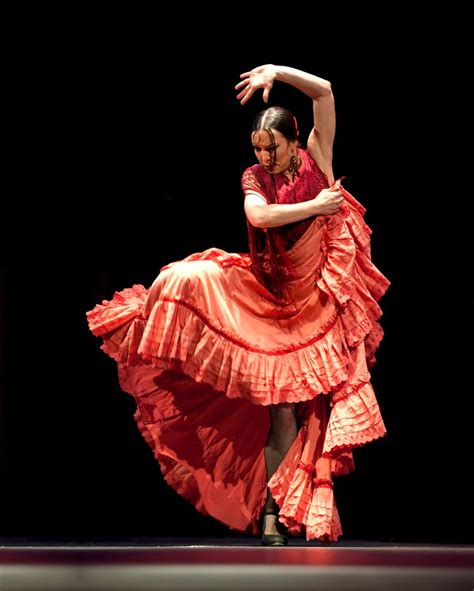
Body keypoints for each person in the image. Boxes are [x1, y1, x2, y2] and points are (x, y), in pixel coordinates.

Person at [86, 64, 390, 546]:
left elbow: (326, 92)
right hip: (268, 296)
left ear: (293, 141)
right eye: (258, 147)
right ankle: (145, 329)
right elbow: (260, 215)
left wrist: (278, 71)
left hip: (315, 305)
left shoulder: (317, 160)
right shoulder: (254, 177)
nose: (264, 155)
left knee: (291, 410)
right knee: (181, 277)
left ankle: (274, 509)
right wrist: (317, 206)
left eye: (273, 146)